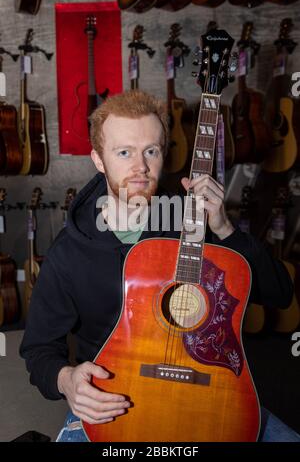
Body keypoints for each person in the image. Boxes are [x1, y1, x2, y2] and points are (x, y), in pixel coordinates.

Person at [20, 90, 299, 442]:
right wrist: (67, 380)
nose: (140, 167)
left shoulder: (194, 222)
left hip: (210, 389)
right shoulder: (69, 252)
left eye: (151, 151)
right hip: (117, 399)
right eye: (124, 152)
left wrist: (225, 229)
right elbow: (39, 349)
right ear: (98, 159)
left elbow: (279, 293)